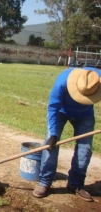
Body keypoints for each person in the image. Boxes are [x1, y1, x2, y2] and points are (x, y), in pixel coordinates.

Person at [33, 67, 101, 202]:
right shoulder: (62, 83)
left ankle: (75, 184)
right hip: (61, 112)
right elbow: (53, 108)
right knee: (50, 145)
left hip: (85, 115)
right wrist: (53, 134)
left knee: (85, 150)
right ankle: (45, 182)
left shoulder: (96, 80)